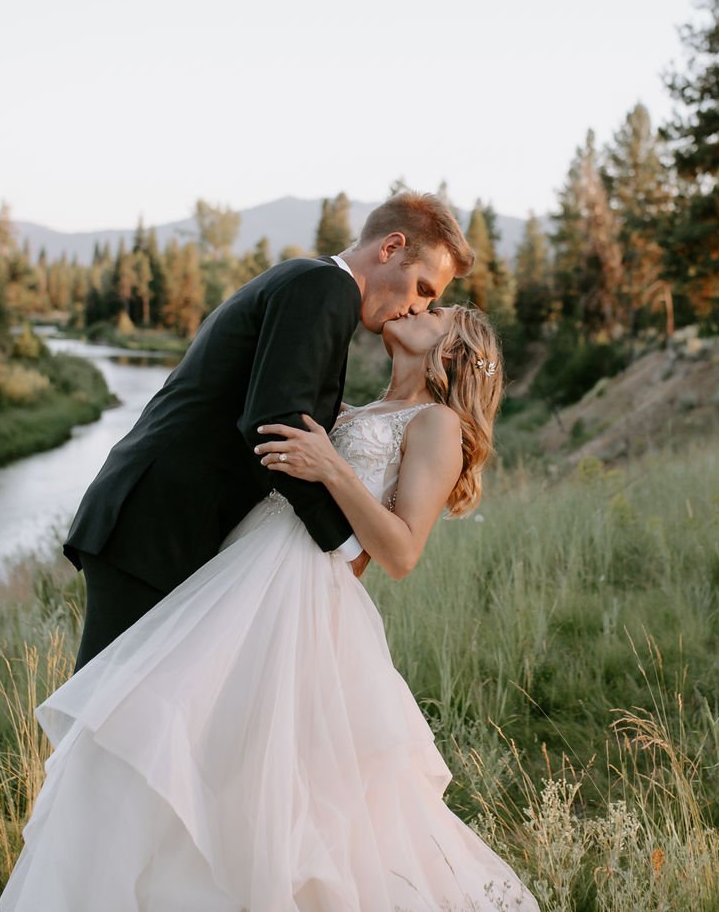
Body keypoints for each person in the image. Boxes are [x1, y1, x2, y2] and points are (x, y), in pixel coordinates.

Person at [0, 303, 548, 912]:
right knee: (155, 767)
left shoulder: (436, 424)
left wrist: (331, 469)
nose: (417, 305)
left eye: (437, 307)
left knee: (248, 790)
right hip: (238, 577)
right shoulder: (363, 407)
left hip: (291, 604)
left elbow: (399, 550)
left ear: (457, 348)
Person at [63, 192, 472, 671]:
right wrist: (345, 544)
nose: (417, 307)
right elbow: (274, 425)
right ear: (391, 248)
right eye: (423, 288)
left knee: (135, 713)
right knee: (106, 713)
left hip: (172, 525)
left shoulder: (315, 284)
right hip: (158, 524)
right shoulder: (325, 289)